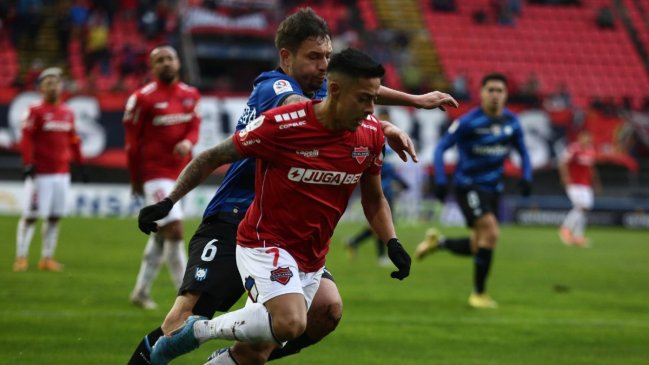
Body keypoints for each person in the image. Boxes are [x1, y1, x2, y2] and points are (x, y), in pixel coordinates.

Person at [126, 8, 457, 365]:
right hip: (235, 218)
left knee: (324, 312)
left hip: (288, 230)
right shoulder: (276, 88)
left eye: (328, 58)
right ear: (286, 57)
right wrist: (382, 123)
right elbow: (310, 110)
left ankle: (237, 356)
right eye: (314, 57)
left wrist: (412, 102)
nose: (323, 66)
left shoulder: (339, 103)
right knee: (182, 319)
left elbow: (351, 92)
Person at [415, 72, 532, 309]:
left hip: (493, 189)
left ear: (506, 94)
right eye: (491, 90)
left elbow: (524, 152)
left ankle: (440, 243)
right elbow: (440, 150)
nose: (495, 95)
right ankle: (478, 294)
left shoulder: (511, 122)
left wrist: (527, 177)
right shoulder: (469, 121)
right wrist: (439, 180)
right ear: (481, 93)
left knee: (479, 244)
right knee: (491, 232)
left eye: (500, 91)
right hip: (468, 186)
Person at [123, 45, 201, 310]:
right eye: (160, 60)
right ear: (152, 67)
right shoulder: (142, 99)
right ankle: (186, 295)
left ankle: (140, 291)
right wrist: (136, 179)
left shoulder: (191, 95)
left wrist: (188, 143)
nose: (166, 63)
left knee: (161, 234)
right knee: (176, 231)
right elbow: (132, 144)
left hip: (182, 175)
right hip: (154, 174)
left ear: (178, 63)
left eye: (170, 58)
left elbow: (194, 127)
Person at [13, 67, 83, 273]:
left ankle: (46, 257)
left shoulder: (68, 112)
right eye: (49, 83)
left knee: (54, 216)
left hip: (61, 173)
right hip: (40, 173)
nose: (54, 86)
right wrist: (28, 163)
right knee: (31, 215)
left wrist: (80, 163)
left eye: (57, 82)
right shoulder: (35, 111)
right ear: (41, 88)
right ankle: (21, 256)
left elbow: (73, 139)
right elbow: (26, 139)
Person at [344, 146, 409, 266]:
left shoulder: (378, 164)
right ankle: (381, 256)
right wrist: (404, 184)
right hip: (384, 198)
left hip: (381, 197)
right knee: (382, 226)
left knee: (378, 227)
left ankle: (354, 241)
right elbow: (392, 178)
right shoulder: (386, 166)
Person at [558, 130, 601, 247]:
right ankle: (565, 228)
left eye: (588, 137)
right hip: (574, 183)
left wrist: (596, 182)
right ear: (579, 137)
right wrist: (565, 177)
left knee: (584, 210)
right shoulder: (574, 149)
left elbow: (591, 168)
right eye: (584, 137)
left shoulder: (591, 150)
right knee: (582, 206)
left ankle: (578, 236)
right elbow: (562, 162)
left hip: (585, 184)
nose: (586, 139)